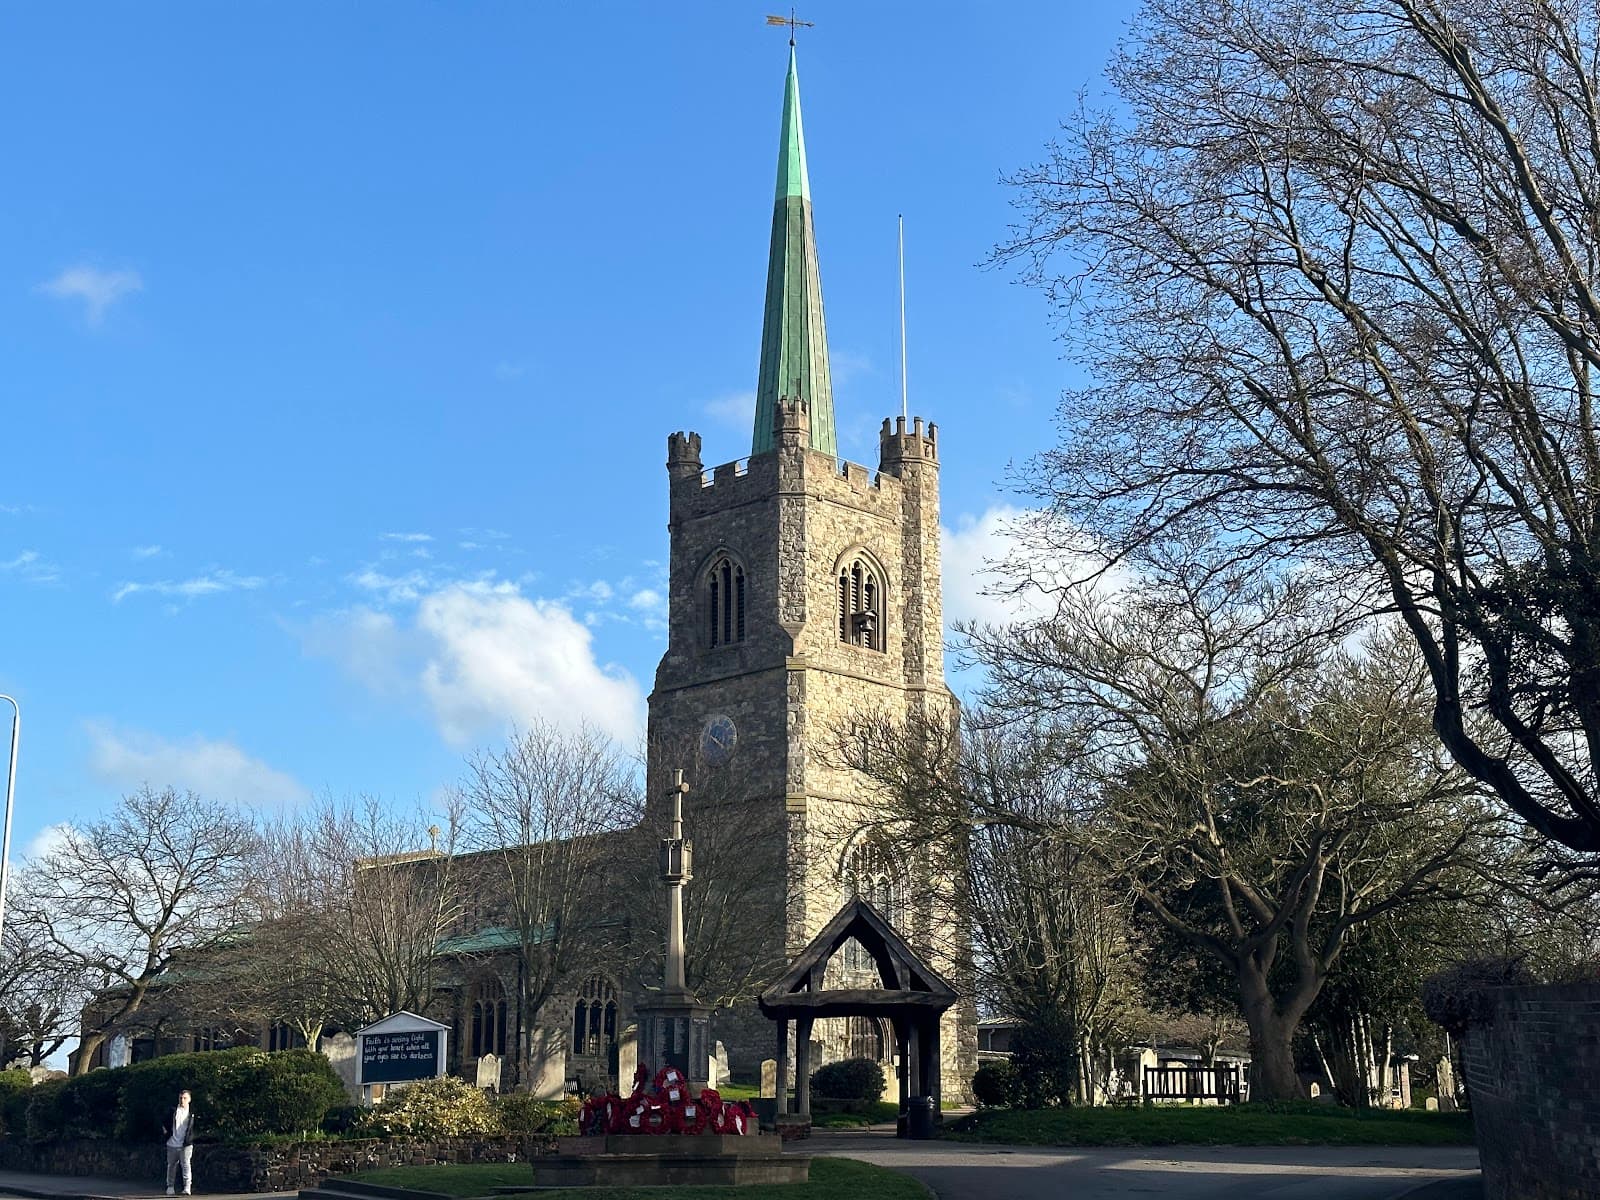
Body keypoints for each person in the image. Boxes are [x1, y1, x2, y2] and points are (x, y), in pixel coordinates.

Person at [162, 1089, 197, 1196]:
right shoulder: (172, 1110)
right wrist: (165, 1133)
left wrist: (191, 1138)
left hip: (186, 1144)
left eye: (185, 1098)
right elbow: (163, 1122)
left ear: (189, 1100)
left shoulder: (192, 1113)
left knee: (186, 1165)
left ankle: (187, 1188)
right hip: (172, 1143)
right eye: (181, 1098)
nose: (182, 1100)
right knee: (171, 1165)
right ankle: (170, 1187)